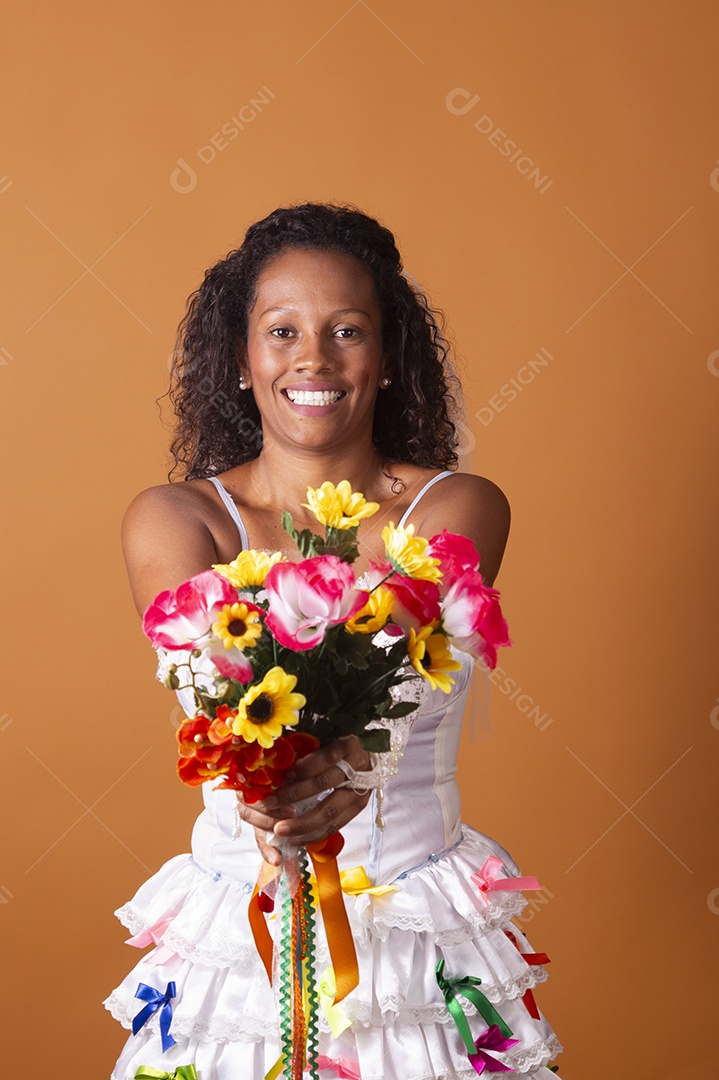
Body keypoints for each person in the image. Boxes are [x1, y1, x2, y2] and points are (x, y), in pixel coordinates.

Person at [104, 203, 562, 1078]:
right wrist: (275, 789)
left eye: (346, 330)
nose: (312, 357)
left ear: (386, 359)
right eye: (281, 331)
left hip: (413, 926)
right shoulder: (174, 517)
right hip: (235, 938)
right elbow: (217, 686)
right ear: (241, 360)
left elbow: (385, 659)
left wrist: (343, 768)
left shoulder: (458, 506)